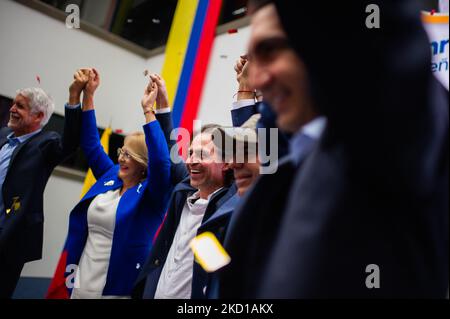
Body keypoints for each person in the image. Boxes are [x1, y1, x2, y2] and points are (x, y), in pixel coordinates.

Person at [249, 0, 448, 298]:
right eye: (251, 58)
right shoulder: (285, 175)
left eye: (271, 49)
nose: (256, 80)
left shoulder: (392, 137)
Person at [46, 69, 172, 299]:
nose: (121, 158)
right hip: (81, 278)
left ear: (144, 163)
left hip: (118, 287)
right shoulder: (111, 176)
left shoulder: (154, 194)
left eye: (129, 154)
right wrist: (89, 95)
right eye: (121, 151)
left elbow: (163, 161)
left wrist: (148, 110)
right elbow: (92, 144)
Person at [132, 74, 237, 299]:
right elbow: (170, 149)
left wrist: (246, 88)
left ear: (229, 162)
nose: (191, 161)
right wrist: (159, 105)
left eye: (201, 154)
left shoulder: (231, 204)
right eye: (190, 152)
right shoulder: (185, 191)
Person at [0, 73, 82, 298]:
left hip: (9, 237)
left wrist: (74, 96)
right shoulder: (4, 134)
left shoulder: (45, 143)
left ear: (38, 116)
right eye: (13, 103)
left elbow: (71, 143)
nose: (12, 109)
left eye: (20, 106)